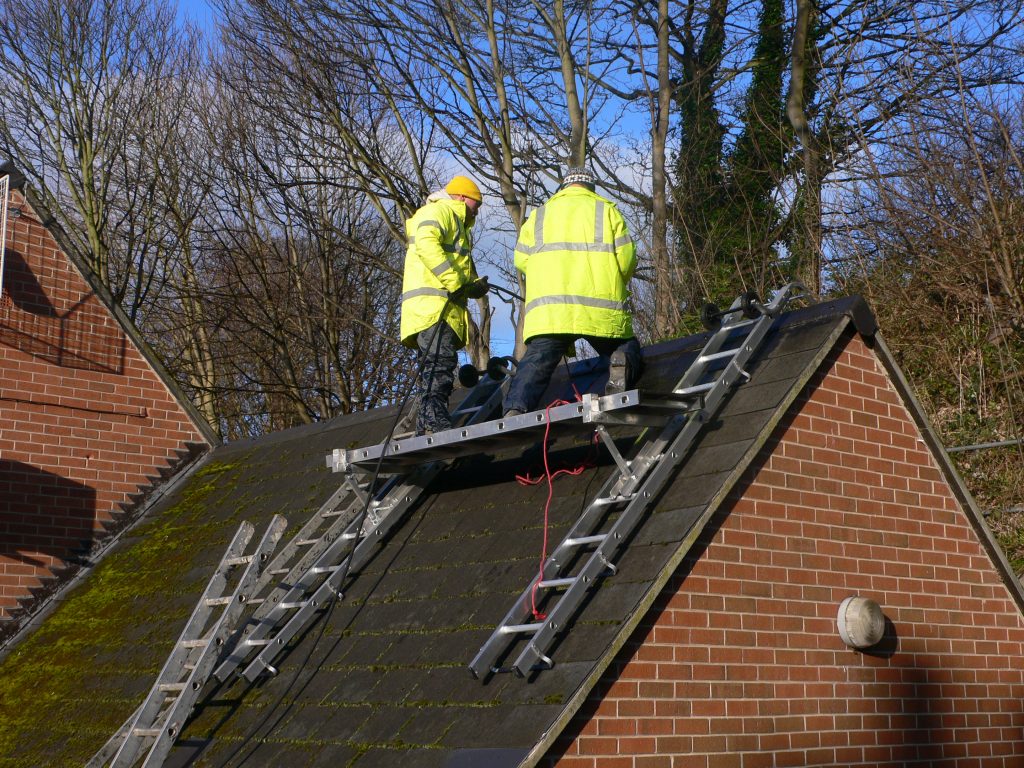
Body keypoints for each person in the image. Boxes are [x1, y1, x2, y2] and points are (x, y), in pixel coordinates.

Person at [503, 166, 642, 416]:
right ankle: (619, 365)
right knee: (625, 346)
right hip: (600, 307)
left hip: (552, 310)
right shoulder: (607, 211)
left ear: (564, 188)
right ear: (590, 187)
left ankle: (514, 407)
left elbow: (521, 260)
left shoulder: (538, 216)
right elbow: (626, 259)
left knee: (536, 361)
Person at [400, 175, 489, 435]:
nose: (478, 210)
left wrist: (473, 285)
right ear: (462, 197)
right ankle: (435, 421)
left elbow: (460, 271)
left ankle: (426, 424)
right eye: (477, 203)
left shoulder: (457, 224)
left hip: (440, 308)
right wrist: (455, 281)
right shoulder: (439, 211)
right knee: (439, 363)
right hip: (433, 307)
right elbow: (428, 245)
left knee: (436, 365)